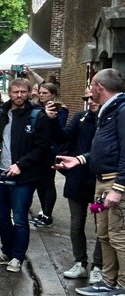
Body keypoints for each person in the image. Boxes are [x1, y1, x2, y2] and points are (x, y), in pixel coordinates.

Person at [58, 69, 125, 296]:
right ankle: (107, 281)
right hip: (102, 178)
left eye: (91, 87)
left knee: (119, 235)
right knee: (105, 234)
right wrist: (79, 159)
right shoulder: (109, 111)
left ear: (98, 87)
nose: (89, 94)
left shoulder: (121, 111)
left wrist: (119, 188)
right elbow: (104, 147)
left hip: (114, 180)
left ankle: (123, 286)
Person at [0, 79, 52, 273]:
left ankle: (18, 256)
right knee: (0, 216)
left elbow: (42, 148)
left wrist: (21, 165)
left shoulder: (37, 116)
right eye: (15, 92)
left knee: (20, 218)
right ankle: (6, 251)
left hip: (24, 176)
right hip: (0, 172)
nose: (19, 95)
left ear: (30, 92)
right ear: (9, 92)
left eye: (23, 92)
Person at [59, 88, 102, 283]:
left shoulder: (110, 119)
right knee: (76, 223)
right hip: (77, 179)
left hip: (100, 182)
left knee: (101, 226)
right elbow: (64, 136)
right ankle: (80, 262)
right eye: (87, 98)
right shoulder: (81, 117)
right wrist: (54, 119)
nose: (90, 101)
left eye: (94, 97)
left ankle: (98, 266)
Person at [30, 82, 67, 229]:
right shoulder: (37, 108)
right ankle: (43, 211)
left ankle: (48, 214)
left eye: (45, 93)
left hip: (51, 151)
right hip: (39, 150)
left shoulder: (60, 109)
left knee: (48, 182)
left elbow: (58, 130)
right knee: (40, 183)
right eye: (40, 92)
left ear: (53, 94)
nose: (41, 95)